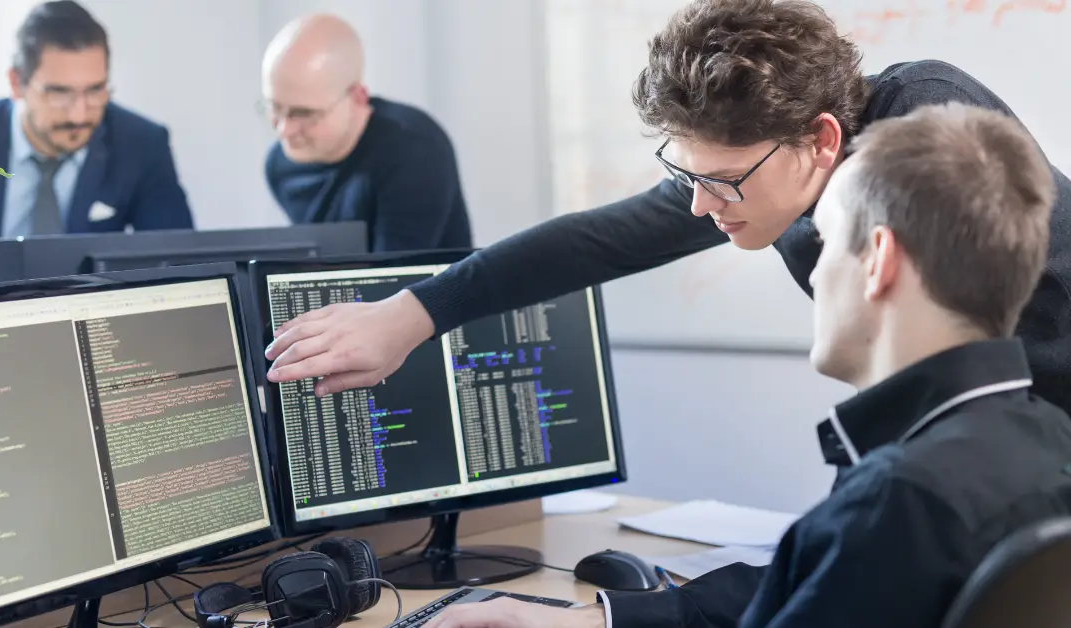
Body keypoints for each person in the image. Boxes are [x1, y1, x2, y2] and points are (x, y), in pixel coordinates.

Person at [261, 0, 1071, 423]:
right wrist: (412, 315)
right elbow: (600, 241)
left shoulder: (920, 141)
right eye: (689, 173)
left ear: (822, 142)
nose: (697, 203)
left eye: (720, 179)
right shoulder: (758, 166)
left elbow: (954, 396)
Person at [427, 101, 1071, 627]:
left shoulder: (897, 500)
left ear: (878, 261)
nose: (813, 272)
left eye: (826, 243)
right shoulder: (1048, 443)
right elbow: (808, 590)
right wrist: (602, 619)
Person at [0, 0, 194, 240]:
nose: (80, 114)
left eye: (95, 90)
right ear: (17, 83)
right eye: (59, 92)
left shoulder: (142, 143)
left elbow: (178, 263)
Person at [260, 13, 473, 253]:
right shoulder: (280, 165)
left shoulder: (414, 150)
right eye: (275, 107)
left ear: (358, 97)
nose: (284, 130)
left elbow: (398, 280)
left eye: (305, 113)